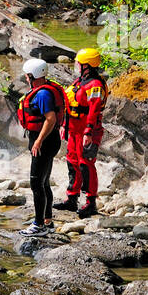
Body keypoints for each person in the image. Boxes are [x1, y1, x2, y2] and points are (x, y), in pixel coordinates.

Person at [16, 58, 67, 236]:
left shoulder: (43, 94)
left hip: (44, 142)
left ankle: (38, 225)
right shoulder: (44, 89)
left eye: (27, 76)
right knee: (44, 182)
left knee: (36, 183)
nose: (26, 78)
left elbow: (51, 118)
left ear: (32, 76)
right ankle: (47, 220)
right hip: (49, 140)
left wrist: (38, 141)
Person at [55, 47, 107, 218]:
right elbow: (70, 105)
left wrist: (89, 132)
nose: (76, 64)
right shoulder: (79, 82)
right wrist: (64, 125)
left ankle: (90, 202)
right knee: (72, 162)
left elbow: (93, 110)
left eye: (79, 62)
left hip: (88, 131)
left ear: (88, 65)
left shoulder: (96, 85)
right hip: (74, 130)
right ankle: (72, 198)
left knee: (86, 164)